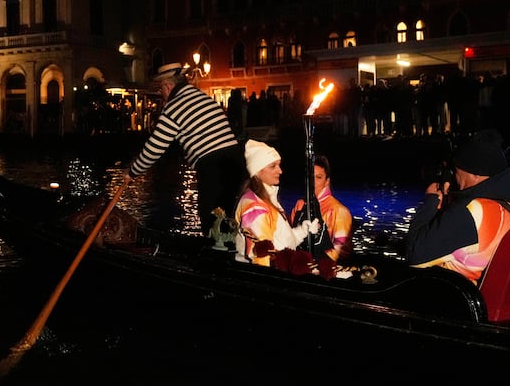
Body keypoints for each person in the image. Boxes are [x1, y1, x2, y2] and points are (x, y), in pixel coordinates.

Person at [126, 63, 247, 237]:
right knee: (233, 217)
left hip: (214, 167)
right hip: (236, 162)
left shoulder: (173, 107)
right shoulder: (202, 97)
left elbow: (154, 149)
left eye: (161, 89)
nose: (161, 95)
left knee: (213, 221)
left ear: (168, 86)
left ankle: (218, 251)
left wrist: (132, 172)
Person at [405, 129, 510, 285]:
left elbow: (414, 255)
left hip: (453, 292)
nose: (456, 178)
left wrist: (430, 201)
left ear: (475, 174)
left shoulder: (472, 212)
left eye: (457, 172)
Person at [234, 139, 319, 271]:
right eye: (273, 166)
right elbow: (262, 256)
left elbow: (282, 243)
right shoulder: (254, 208)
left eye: (279, 165)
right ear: (257, 171)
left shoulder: (268, 199)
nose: (280, 171)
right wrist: (300, 267)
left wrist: (302, 231)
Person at [290, 155, 353, 263]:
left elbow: (339, 251)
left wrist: (314, 265)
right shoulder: (300, 205)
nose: (313, 182)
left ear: (327, 181)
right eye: (310, 177)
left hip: (325, 267)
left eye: (318, 177)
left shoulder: (338, 210)